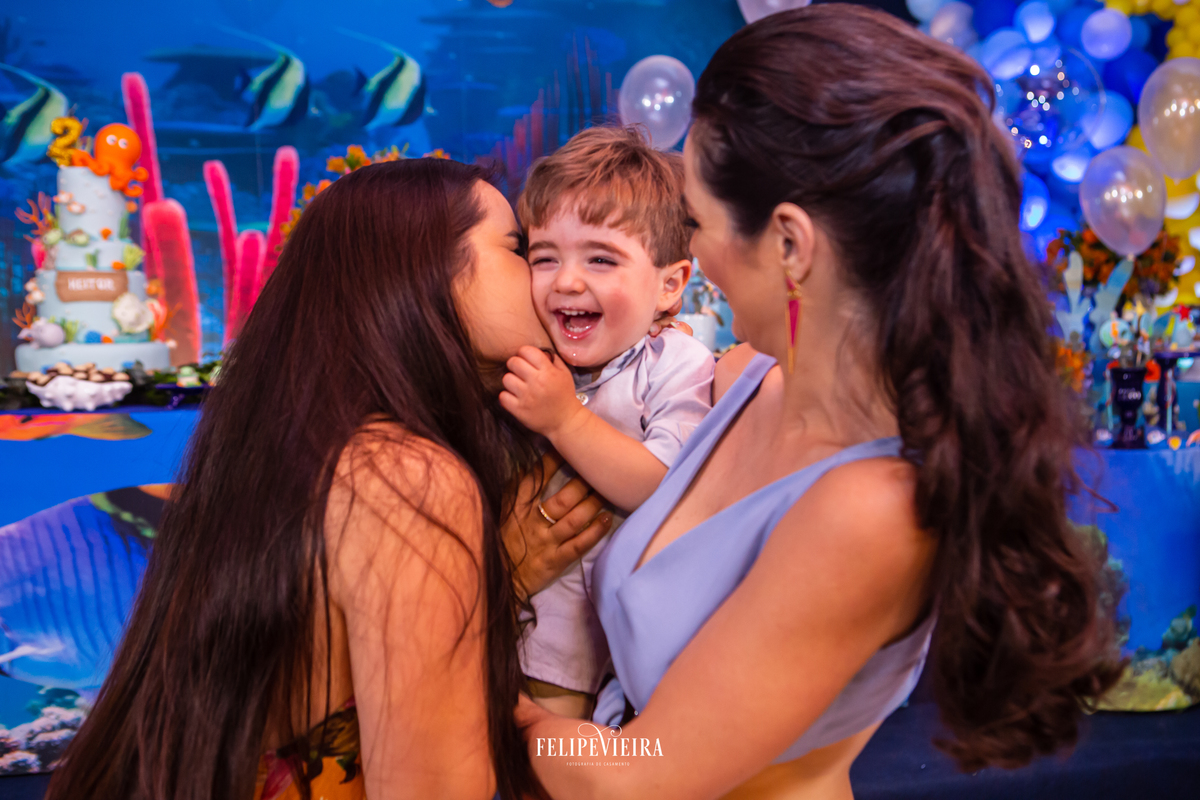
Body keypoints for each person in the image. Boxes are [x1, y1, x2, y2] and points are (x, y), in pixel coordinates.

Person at [517, 6, 1122, 799]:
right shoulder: (735, 380)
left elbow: (636, 778)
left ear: (791, 245)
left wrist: (505, 710)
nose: (691, 256)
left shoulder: (871, 508)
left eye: (697, 222)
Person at [44, 158, 611, 800]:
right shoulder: (406, 479)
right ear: (427, 271)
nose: (546, 279)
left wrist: (496, 580)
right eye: (519, 249)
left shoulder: (304, 450)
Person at [500, 126, 716, 720]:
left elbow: (665, 483)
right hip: (530, 631)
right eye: (545, 258)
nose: (567, 281)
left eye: (600, 259)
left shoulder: (676, 362)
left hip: (621, 645)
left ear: (670, 285)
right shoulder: (534, 355)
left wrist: (564, 420)